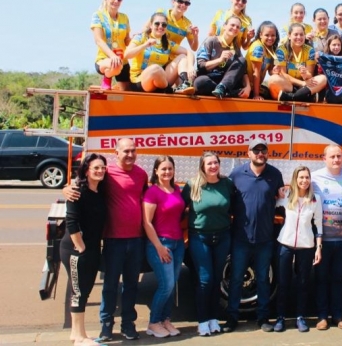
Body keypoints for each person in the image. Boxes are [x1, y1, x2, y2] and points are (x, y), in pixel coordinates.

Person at [64, 138, 148, 341]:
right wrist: (67, 188)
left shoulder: (141, 174)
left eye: (133, 150)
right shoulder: (107, 172)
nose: (130, 154)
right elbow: (84, 182)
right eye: (125, 151)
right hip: (113, 241)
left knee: (131, 285)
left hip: (135, 240)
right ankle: (106, 326)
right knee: (110, 286)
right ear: (116, 152)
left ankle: (128, 325)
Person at [223, 138, 285, 333]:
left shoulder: (275, 175)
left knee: (263, 280)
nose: (260, 154)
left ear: (267, 153)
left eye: (263, 150)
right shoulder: (237, 174)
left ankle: (263, 318)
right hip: (241, 238)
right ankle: (231, 318)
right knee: (235, 279)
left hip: (265, 239)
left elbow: (281, 199)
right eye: (255, 150)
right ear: (248, 153)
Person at [182, 152, 234, 336]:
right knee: (205, 280)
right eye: (209, 163)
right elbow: (180, 208)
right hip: (200, 238)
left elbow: (234, 207)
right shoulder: (192, 185)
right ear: (202, 166)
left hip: (222, 237)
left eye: (215, 163)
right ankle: (202, 321)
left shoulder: (227, 184)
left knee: (217, 280)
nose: (213, 166)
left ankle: (213, 319)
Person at [59, 153, 108, 346]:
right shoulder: (77, 190)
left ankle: (77, 333)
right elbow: (71, 222)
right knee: (78, 291)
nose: (100, 171)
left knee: (85, 290)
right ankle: (79, 337)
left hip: (92, 247)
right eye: (96, 168)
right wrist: (80, 248)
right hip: (76, 249)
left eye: (103, 167)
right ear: (86, 170)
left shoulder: (99, 190)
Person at [273, 166, 323, 333]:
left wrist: (318, 247)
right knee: (283, 283)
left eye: (307, 177)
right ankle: (280, 317)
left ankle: (300, 317)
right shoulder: (286, 196)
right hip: (285, 244)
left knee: (303, 283)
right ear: (295, 179)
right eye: (301, 177)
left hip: (306, 246)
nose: (304, 180)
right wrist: (277, 192)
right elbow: (271, 204)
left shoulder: (315, 199)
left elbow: (318, 225)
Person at [312, 145, 342, 331]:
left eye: (339, 156)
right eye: (332, 157)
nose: (336, 160)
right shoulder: (314, 178)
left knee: (338, 279)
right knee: (321, 279)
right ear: (324, 159)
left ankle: (338, 316)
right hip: (322, 240)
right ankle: (322, 316)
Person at [142, 156, 185, 338]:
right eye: (163, 169)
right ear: (156, 171)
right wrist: (158, 246)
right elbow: (146, 222)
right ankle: (153, 323)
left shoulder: (176, 189)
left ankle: (166, 320)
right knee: (166, 285)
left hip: (178, 243)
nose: (167, 172)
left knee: (173, 284)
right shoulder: (152, 192)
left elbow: (180, 212)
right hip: (161, 243)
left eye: (170, 168)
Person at [124, 12, 196, 94]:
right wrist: (145, 45)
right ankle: (170, 90)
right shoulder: (141, 37)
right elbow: (127, 55)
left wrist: (190, 66)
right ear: (151, 25)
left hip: (161, 81)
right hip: (140, 80)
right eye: (157, 24)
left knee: (182, 56)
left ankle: (185, 83)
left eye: (164, 25)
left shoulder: (168, 43)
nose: (160, 27)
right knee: (155, 68)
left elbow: (189, 52)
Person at [268, 23, 327, 102]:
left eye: (301, 35)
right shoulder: (281, 50)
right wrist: (302, 83)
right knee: (273, 79)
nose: (299, 37)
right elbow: (283, 74)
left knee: (323, 78)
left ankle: (293, 97)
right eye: (295, 34)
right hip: (289, 86)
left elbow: (310, 76)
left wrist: (306, 75)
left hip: (304, 87)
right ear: (289, 36)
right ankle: (305, 97)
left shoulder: (310, 50)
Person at [195, 16, 251, 99]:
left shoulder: (235, 48)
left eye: (238, 27)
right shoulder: (210, 41)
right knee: (200, 83)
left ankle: (223, 88)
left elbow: (243, 70)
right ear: (224, 26)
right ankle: (228, 93)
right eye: (232, 25)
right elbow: (201, 66)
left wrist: (248, 87)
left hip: (226, 81)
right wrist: (219, 60)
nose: (235, 28)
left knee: (242, 60)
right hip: (210, 79)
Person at [91, 0, 131, 90]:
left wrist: (138, 40)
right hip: (105, 59)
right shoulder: (98, 15)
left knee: (128, 92)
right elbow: (98, 40)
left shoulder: (124, 17)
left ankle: (116, 88)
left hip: (123, 60)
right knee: (116, 64)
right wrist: (112, 56)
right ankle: (107, 78)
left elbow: (127, 40)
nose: (116, 1)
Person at [246, 21, 280, 100]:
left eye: (273, 35)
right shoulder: (258, 47)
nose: (270, 38)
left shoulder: (271, 48)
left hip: (256, 86)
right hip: (246, 85)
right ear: (260, 35)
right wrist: (256, 95)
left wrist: (274, 71)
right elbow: (256, 72)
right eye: (267, 35)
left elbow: (270, 71)